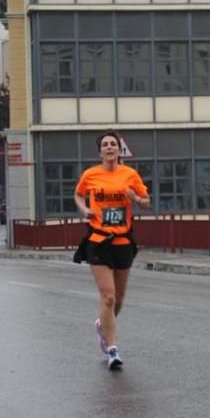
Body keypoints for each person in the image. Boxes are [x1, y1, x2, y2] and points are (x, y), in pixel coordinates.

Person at [73, 131, 150, 370]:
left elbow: (147, 201)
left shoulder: (130, 175)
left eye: (113, 144)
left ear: (119, 150)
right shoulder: (90, 174)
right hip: (98, 240)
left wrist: (135, 198)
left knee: (119, 299)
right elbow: (78, 193)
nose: (109, 148)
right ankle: (112, 350)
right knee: (108, 296)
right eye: (105, 145)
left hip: (123, 242)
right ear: (100, 152)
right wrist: (84, 209)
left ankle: (102, 325)